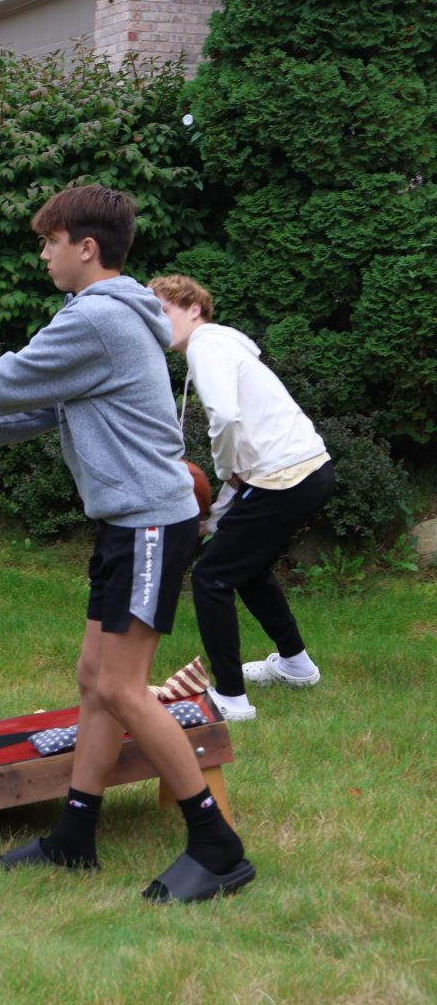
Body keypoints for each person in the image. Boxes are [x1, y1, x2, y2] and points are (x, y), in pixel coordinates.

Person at [0, 186, 255, 904]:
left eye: (48, 241)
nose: (42, 254)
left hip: (150, 523)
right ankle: (74, 837)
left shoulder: (96, 319)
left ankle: (218, 848)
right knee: (96, 683)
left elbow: (7, 379)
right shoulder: (100, 319)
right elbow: (28, 410)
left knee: (121, 688)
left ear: (85, 247)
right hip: (131, 524)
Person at [149, 274, 335, 722]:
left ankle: (230, 700)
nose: (157, 321)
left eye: (165, 310)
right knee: (244, 567)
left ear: (194, 307)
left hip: (286, 476)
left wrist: (222, 474)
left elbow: (226, 417)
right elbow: (241, 452)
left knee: (212, 576)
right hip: (300, 472)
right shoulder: (219, 346)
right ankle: (296, 665)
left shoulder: (206, 345)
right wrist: (219, 510)